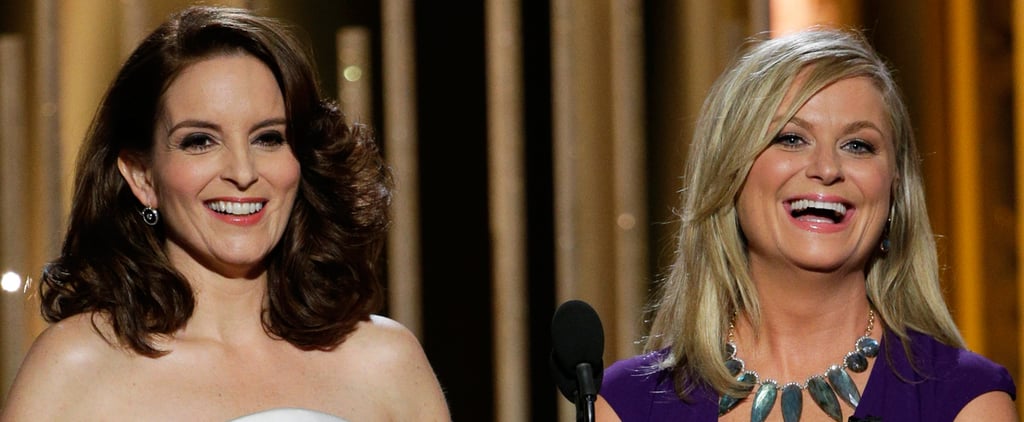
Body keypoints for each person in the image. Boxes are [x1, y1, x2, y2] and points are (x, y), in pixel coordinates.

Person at [0, 6, 450, 421]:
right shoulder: (75, 368)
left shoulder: (385, 362)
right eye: (200, 141)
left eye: (268, 138)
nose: (242, 172)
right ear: (142, 177)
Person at [596, 27, 1017, 421]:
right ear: (729, 173)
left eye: (858, 145)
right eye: (791, 138)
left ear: (895, 191)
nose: (827, 168)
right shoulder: (625, 404)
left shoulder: (968, 401)